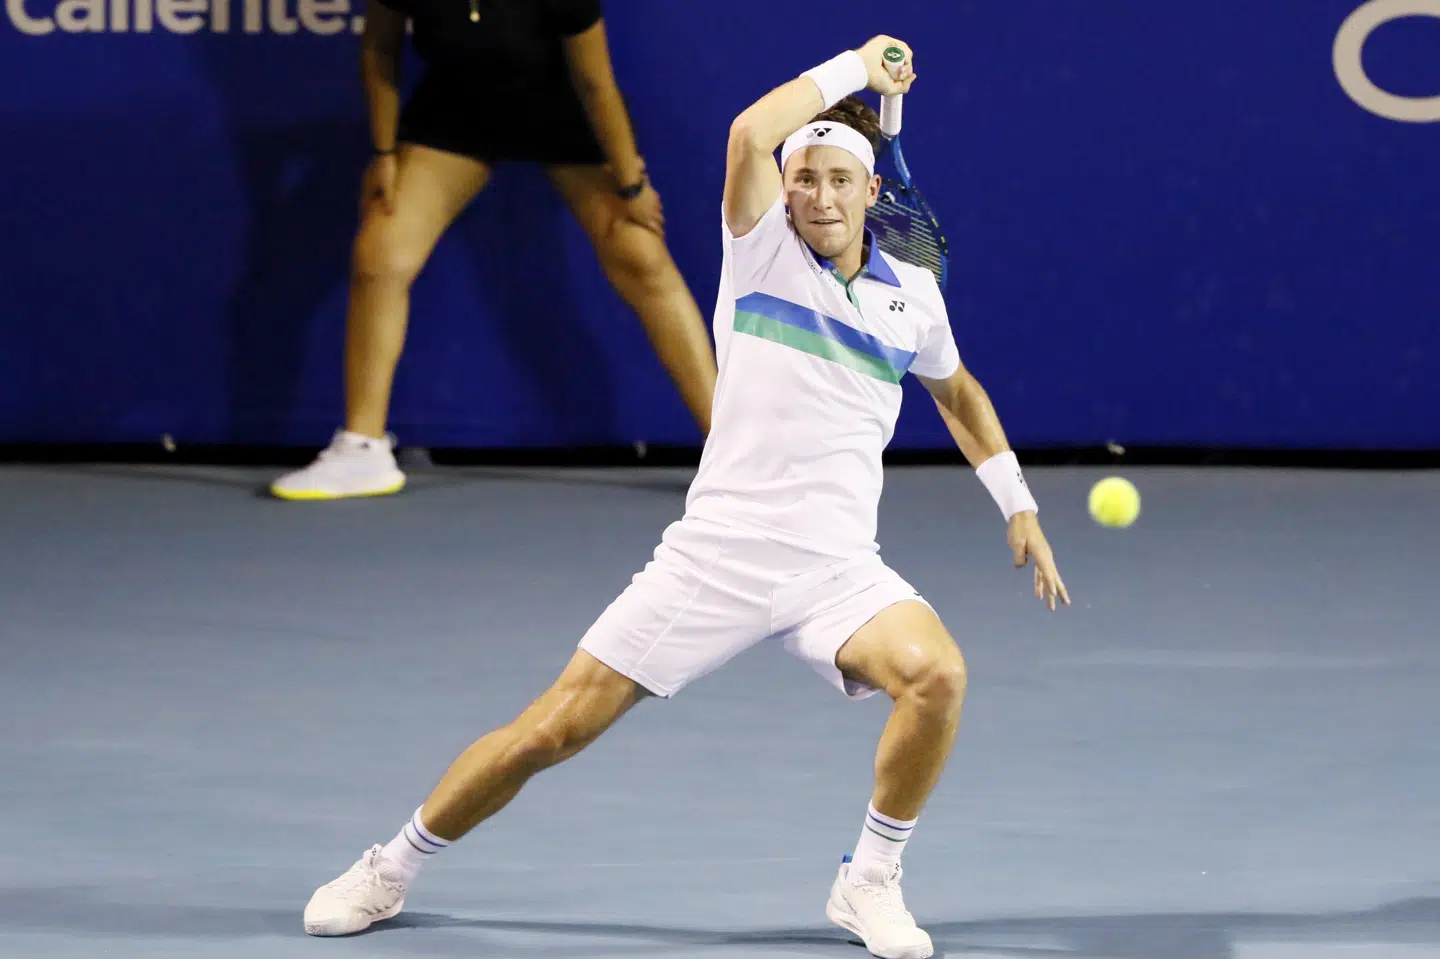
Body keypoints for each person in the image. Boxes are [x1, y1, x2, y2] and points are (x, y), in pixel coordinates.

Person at [301, 35, 1070, 959]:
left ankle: (868, 881)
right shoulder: (757, 253)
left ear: (874, 191)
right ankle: (392, 864)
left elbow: (959, 395)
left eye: (838, 180)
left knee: (937, 675)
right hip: (718, 554)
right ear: (786, 188)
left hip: (836, 569)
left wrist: (1015, 500)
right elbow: (751, 132)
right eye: (805, 178)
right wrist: (855, 66)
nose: (819, 197)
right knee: (548, 732)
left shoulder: (915, 295)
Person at [270, 0, 717, 500]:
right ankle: (362, 449)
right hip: (455, 117)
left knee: (640, 257)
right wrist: (383, 152)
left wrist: (632, 183)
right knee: (381, 252)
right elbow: (379, 48)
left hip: (562, 112)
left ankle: (732, 453)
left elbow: (595, 83)